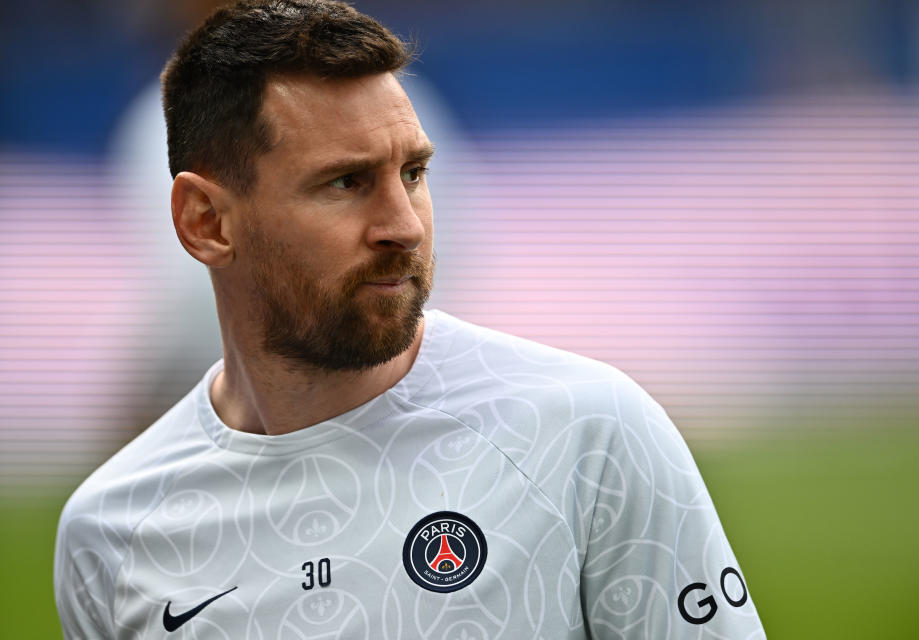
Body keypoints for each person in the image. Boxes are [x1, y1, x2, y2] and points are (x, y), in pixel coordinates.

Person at [54, 1, 765, 638]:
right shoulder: (113, 534)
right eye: (345, 183)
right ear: (205, 222)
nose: (404, 226)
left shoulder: (587, 433)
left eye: (414, 174)